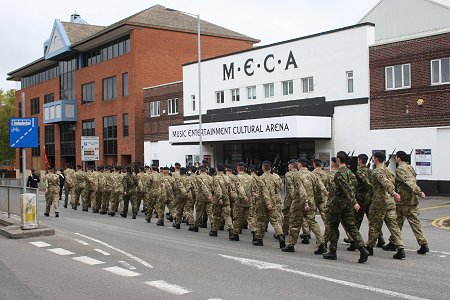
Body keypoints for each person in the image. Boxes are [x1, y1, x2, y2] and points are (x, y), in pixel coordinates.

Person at [323, 151, 370, 263]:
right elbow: (355, 187)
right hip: (348, 204)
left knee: (333, 226)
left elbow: (346, 188)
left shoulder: (339, 174)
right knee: (351, 227)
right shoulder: (351, 173)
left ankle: (332, 251)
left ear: (338, 160)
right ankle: (362, 248)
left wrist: (354, 202)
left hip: (338, 203)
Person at [387, 150, 429, 254]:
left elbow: (408, 181)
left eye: (396, 157)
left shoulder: (400, 169)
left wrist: (419, 191)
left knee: (397, 223)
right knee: (415, 223)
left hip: (403, 201)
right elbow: (414, 179)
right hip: (412, 200)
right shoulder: (410, 167)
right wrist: (417, 193)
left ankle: (393, 243)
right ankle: (423, 244)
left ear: (398, 158)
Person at [366, 152, 406, 260]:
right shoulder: (389, 170)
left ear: (377, 159)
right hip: (390, 202)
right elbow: (393, 181)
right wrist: (393, 194)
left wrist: (394, 193)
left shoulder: (377, 171)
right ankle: (400, 247)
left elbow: (385, 183)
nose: (373, 160)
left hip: (380, 201)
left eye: (374, 158)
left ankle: (369, 247)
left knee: (374, 225)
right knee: (393, 225)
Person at [256, 161, 285, 248]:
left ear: (263, 168)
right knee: (275, 220)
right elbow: (280, 187)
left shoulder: (261, 178)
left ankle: (259, 239)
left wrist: (267, 202)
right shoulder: (274, 177)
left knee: (261, 221)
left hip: (263, 203)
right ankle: (280, 236)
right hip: (273, 201)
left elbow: (264, 192)